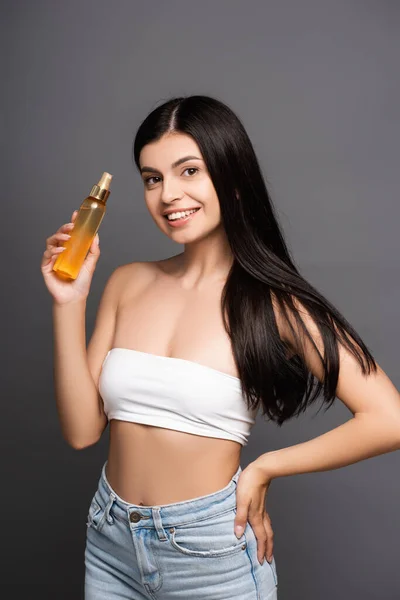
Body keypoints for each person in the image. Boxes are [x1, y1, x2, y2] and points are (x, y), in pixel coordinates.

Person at [41, 95, 400, 599]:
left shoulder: (277, 306)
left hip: (209, 549)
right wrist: (67, 303)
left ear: (231, 178)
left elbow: (390, 419)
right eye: (153, 178)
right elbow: (82, 431)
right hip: (110, 540)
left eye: (189, 170)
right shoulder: (127, 282)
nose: (169, 194)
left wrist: (266, 467)